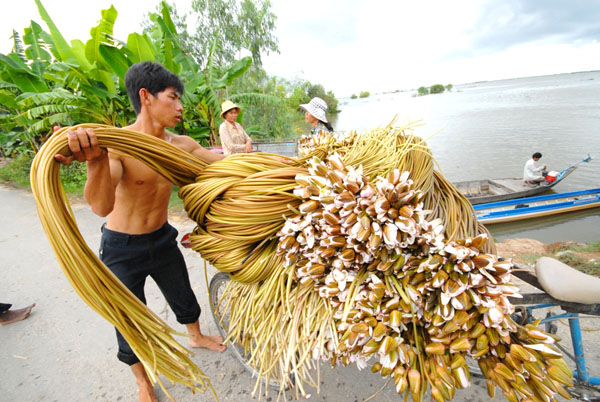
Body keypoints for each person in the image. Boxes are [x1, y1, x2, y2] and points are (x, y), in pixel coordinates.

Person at [54, 61, 226, 402]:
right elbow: (101, 206)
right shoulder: (117, 145)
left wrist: (282, 165)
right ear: (146, 97)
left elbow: (225, 165)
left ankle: (195, 335)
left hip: (161, 238)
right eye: (173, 98)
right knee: (128, 317)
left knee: (183, 294)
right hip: (122, 247)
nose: (180, 107)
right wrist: (95, 161)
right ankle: (142, 380)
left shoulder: (183, 145)